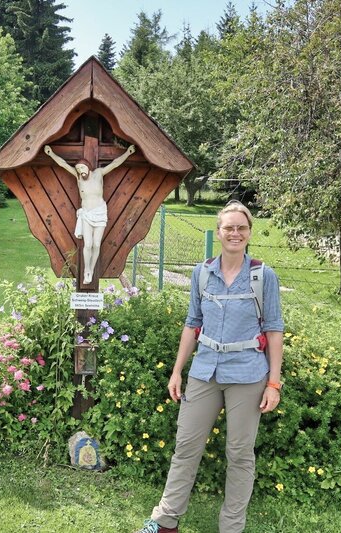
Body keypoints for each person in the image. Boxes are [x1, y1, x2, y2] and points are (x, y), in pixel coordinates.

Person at [137, 201, 284, 533]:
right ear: (218, 232)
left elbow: (274, 330)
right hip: (204, 371)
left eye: (241, 228)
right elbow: (192, 323)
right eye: (228, 228)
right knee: (186, 447)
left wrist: (273, 383)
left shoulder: (263, 275)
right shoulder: (202, 273)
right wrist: (177, 371)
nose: (235, 233)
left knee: (239, 454)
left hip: (247, 375)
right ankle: (165, 521)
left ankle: (231, 528)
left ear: (248, 233)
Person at [43, 144, 136, 284]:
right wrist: (51, 154)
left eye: (82, 168)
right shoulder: (78, 178)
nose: (80, 171)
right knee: (88, 244)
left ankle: (91, 270)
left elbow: (115, 164)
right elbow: (63, 164)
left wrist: (127, 153)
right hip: (86, 214)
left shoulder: (98, 173)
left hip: (100, 212)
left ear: (88, 166)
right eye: (78, 169)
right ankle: (87, 271)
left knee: (97, 244)